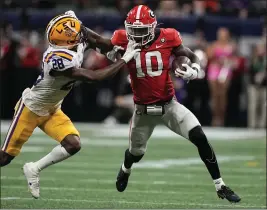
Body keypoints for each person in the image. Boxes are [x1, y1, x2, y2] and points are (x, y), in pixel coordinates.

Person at [107, 5, 240, 203]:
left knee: (199, 137)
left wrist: (194, 69)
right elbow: (103, 46)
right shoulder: (121, 38)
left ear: (152, 28)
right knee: (136, 153)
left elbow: (189, 54)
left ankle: (220, 185)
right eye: (133, 31)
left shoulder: (168, 36)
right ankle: (126, 169)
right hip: (142, 110)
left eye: (141, 31)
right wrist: (110, 52)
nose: (136, 36)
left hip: (169, 105)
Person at [0, 11, 140, 199]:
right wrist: (124, 59)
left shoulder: (74, 34)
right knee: (4, 158)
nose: (80, 35)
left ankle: (34, 168)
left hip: (52, 108)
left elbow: (98, 40)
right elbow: (94, 77)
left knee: (73, 144)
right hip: (31, 109)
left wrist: (118, 48)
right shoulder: (56, 60)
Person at [207, 27, 236, 127]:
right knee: (214, 95)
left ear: (227, 35)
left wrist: (228, 62)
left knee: (223, 95)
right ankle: (215, 118)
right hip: (214, 70)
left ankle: (222, 118)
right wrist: (215, 56)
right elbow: (209, 56)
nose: (222, 36)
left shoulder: (231, 46)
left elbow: (235, 60)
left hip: (224, 71)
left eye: (224, 34)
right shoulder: (214, 45)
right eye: (220, 34)